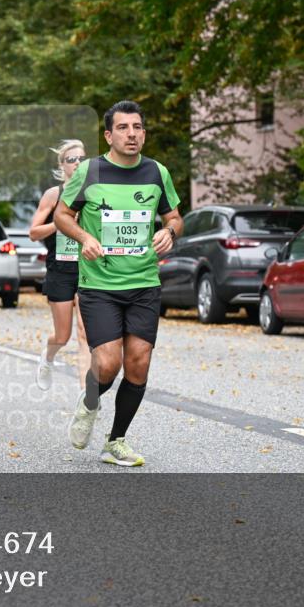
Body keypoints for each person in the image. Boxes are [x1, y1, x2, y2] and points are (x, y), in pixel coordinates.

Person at [53, 100, 183, 467]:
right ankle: (90, 400)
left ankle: (116, 440)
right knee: (108, 364)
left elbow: (174, 216)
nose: (132, 134)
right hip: (99, 285)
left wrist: (169, 231)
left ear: (144, 133)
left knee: (139, 364)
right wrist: (84, 238)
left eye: (138, 127)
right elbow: (63, 216)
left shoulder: (157, 172)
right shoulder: (89, 172)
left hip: (144, 282)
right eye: (123, 128)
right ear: (109, 135)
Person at [29, 139, 92, 392]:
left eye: (81, 159)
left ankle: (86, 395)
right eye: (71, 159)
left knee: (86, 335)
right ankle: (48, 356)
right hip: (60, 271)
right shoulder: (53, 195)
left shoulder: (93, 193)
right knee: (63, 336)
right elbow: (34, 232)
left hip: (87, 270)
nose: (77, 163)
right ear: (62, 165)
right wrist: (62, 222)